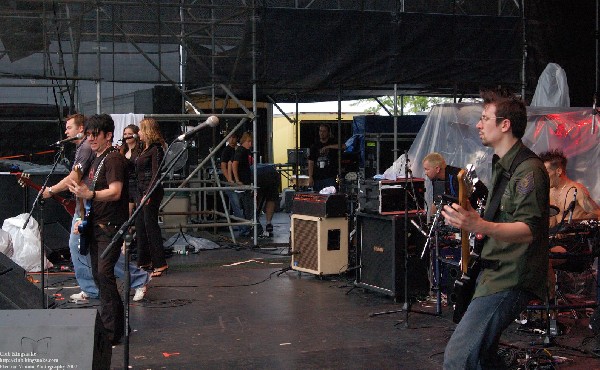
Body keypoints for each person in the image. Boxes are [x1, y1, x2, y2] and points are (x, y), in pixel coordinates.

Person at [441, 88, 550, 369]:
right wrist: (470, 218)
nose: (479, 124)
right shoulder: (503, 166)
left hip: (511, 277)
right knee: (481, 358)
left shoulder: (529, 171)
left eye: (485, 118)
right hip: (494, 272)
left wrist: (478, 224)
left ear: (505, 125)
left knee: (458, 357)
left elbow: (528, 230)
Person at [43, 114, 149, 303]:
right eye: (89, 134)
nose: (67, 132)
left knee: (101, 256)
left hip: (103, 215)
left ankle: (134, 279)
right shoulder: (91, 152)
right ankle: (94, 289)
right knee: (86, 251)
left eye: (70, 128)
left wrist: (51, 190)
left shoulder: (95, 152)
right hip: (89, 209)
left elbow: (81, 180)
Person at [70, 114, 129, 345]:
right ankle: (116, 327)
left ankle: (111, 330)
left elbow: (115, 191)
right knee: (100, 275)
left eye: (96, 135)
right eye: (89, 135)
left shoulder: (113, 159)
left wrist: (90, 194)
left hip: (110, 226)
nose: (91, 139)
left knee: (104, 274)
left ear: (108, 136)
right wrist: (82, 218)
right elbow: (90, 195)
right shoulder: (97, 160)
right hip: (97, 225)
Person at [539, 149, 600, 299]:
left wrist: (575, 224)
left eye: (546, 171)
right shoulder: (546, 192)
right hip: (555, 241)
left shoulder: (576, 190)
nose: (543, 175)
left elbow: (598, 215)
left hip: (574, 244)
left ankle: (550, 307)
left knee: (543, 259)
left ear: (558, 171)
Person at [135, 118, 168, 277]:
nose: (138, 133)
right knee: (140, 225)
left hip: (151, 190)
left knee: (150, 226)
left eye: (141, 130)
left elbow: (156, 173)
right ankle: (144, 260)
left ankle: (160, 263)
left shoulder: (156, 149)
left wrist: (148, 193)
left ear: (147, 131)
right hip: (142, 189)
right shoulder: (143, 148)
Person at [422, 152, 488, 217]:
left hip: (474, 211)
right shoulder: (436, 179)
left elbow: (467, 202)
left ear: (437, 169)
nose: (425, 173)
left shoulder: (458, 176)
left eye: (427, 169)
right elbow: (436, 203)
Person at [307, 124, 345, 192]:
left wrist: (328, 147)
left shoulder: (333, 142)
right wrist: (310, 176)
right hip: (317, 178)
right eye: (320, 131)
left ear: (328, 132)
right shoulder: (315, 146)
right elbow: (311, 162)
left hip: (330, 177)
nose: (322, 133)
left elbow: (344, 146)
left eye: (324, 131)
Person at [220, 132, 244, 228]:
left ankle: (243, 225)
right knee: (236, 204)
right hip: (230, 182)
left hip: (237, 180)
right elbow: (223, 166)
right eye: (230, 138)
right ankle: (243, 226)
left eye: (234, 138)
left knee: (240, 204)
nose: (232, 140)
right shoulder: (226, 150)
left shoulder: (238, 149)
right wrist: (229, 179)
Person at [232, 132, 254, 237]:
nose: (251, 144)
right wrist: (236, 180)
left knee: (247, 207)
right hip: (243, 183)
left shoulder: (243, 151)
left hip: (245, 182)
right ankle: (247, 229)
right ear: (245, 141)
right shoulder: (241, 151)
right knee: (247, 207)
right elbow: (234, 164)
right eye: (249, 142)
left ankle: (247, 229)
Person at [119, 124, 142, 217]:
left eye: (130, 134)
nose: (127, 136)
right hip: (126, 184)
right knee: (126, 214)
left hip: (137, 184)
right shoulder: (122, 150)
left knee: (139, 214)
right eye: (125, 134)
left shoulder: (140, 150)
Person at [254, 163, 281, 238]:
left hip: (258, 175)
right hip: (272, 173)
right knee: (271, 199)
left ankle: (255, 221)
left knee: (257, 198)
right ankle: (268, 223)